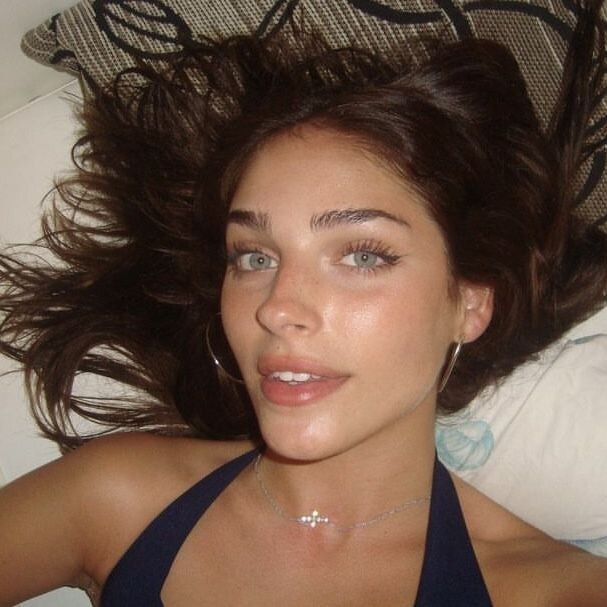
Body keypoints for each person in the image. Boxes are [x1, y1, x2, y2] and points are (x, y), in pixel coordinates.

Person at [1, 1, 607, 605]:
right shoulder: (117, 500)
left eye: (362, 255)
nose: (276, 308)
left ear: (469, 305)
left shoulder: (554, 590)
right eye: (254, 258)